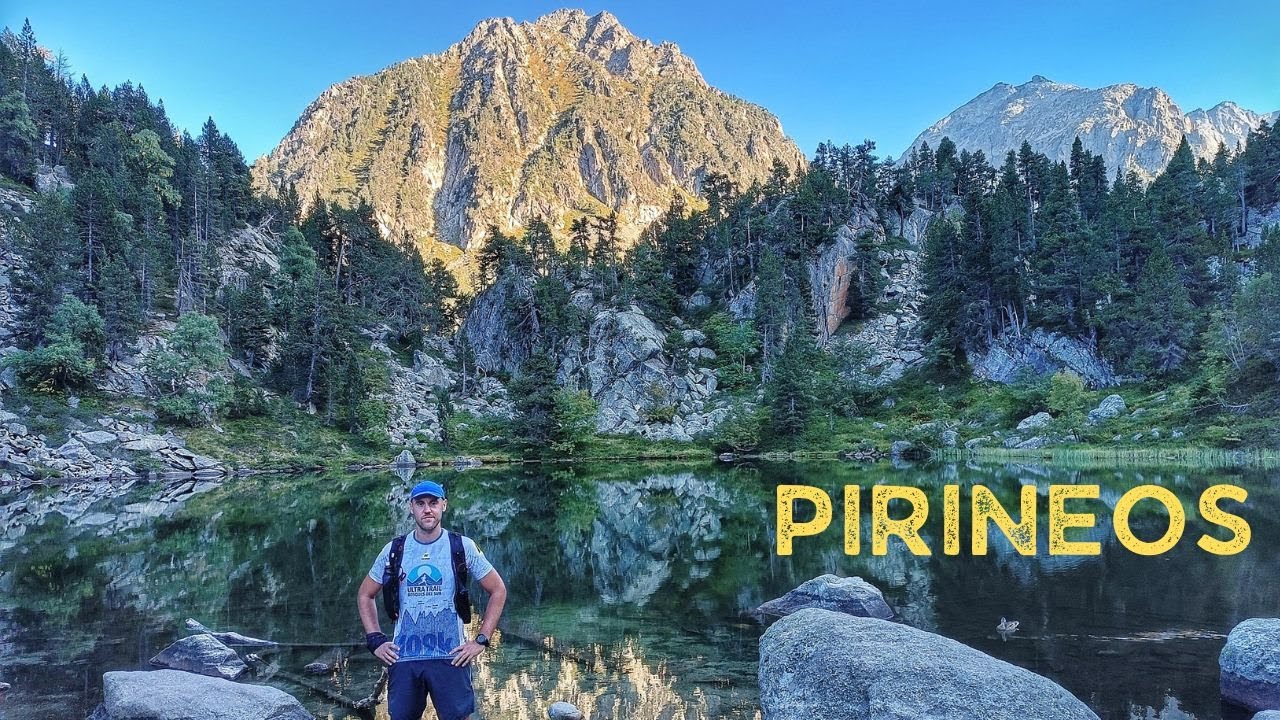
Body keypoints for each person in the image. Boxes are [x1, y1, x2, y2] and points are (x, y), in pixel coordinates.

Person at [357, 479, 507, 720]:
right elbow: (365, 594)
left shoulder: (462, 546)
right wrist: (375, 640)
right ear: (411, 507)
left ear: (444, 505)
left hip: (452, 657)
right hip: (404, 658)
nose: (427, 509)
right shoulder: (394, 550)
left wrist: (481, 640)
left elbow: (498, 590)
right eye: (420, 503)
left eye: (433, 503)